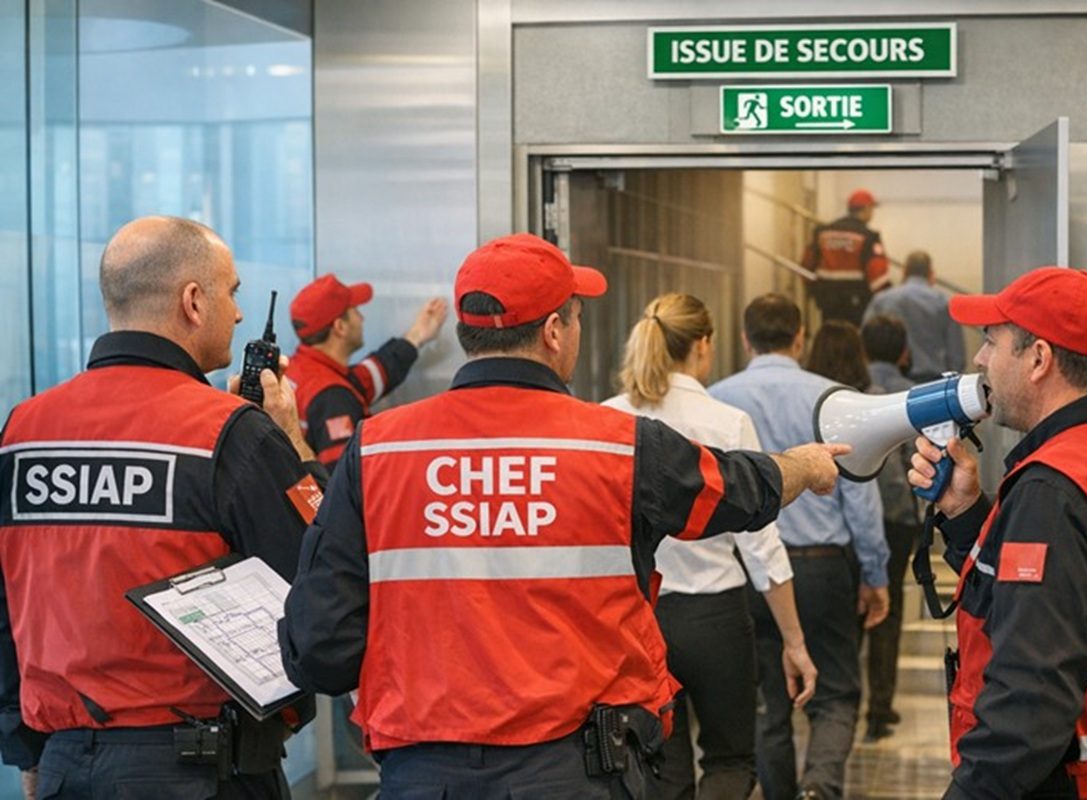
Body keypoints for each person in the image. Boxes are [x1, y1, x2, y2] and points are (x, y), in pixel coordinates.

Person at [278, 233, 848, 800]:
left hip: (425, 773)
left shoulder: (379, 450)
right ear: (553, 331)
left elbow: (320, 646)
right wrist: (803, 464)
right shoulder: (616, 446)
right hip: (577, 771)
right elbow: (739, 490)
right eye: (574, 319)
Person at [0, 216, 323, 799]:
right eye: (233, 292)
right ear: (193, 302)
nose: (241, 314)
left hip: (65, 766)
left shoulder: (24, 430)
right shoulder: (230, 433)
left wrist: (26, 750)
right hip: (199, 769)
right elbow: (320, 572)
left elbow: (5, 605)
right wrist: (292, 445)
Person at [908, 267, 1087, 799]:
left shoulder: (1055, 490)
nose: (979, 361)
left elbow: (1029, 699)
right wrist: (970, 512)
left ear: (1039, 359)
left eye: (992, 342)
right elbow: (1081, 598)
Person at [602, 292, 818, 800]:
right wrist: (794, 642)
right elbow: (762, 548)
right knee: (729, 760)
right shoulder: (726, 421)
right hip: (717, 617)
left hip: (639, 618)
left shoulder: (607, 420)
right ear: (704, 345)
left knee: (661, 764)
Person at [710, 295, 889, 800]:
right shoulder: (834, 398)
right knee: (835, 692)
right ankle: (821, 787)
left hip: (751, 571)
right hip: (823, 567)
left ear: (745, 339)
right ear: (799, 338)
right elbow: (860, 494)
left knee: (770, 697)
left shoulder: (716, 398)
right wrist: (875, 575)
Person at [287, 274, 448, 466]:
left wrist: (416, 336)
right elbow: (342, 480)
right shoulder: (332, 398)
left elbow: (367, 377)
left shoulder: (299, 370)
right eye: (355, 310)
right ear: (340, 327)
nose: (362, 318)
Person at [859, 315, 922, 742]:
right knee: (891, 606)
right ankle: (880, 707)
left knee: (857, 605)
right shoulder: (913, 397)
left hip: (856, 517)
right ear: (903, 352)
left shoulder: (850, 390)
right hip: (899, 518)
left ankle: (844, 694)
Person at [862, 250, 965, 382]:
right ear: (930, 274)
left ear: (904, 272)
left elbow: (865, 338)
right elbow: (956, 356)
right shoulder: (943, 303)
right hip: (932, 382)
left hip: (890, 380)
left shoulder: (881, 300)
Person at [801, 188, 890, 326]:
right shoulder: (868, 237)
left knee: (830, 336)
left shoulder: (822, 232)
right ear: (866, 209)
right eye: (872, 208)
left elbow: (806, 265)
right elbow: (877, 274)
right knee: (853, 340)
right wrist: (887, 299)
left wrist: (814, 291)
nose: (872, 213)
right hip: (857, 303)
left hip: (827, 301)